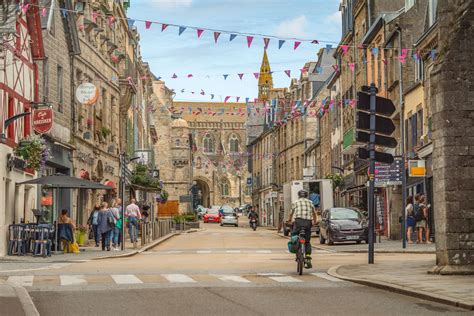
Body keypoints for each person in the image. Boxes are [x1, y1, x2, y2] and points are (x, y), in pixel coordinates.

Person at [288, 189, 317, 269]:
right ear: (307, 195)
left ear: (299, 195)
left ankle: (297, 248)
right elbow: (314, 213)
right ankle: (307, 257)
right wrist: (315, 221)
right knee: (307, 241)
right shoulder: (310, 202)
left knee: (294, 235)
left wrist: (289, 220)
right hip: (308, 223)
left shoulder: (295, 202)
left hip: (298, 222)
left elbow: (291, 213)